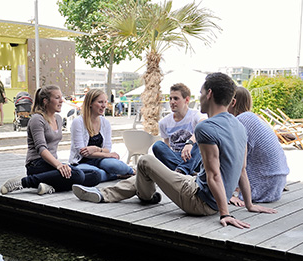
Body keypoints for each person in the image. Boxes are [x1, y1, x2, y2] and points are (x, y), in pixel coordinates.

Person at [72, 73, 277, 229]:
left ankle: (147, 196)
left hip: (199, 201)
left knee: (144, 161)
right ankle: (103, 194)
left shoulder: (206, 127)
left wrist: (224, 214)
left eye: (201, 93)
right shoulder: (239, 125)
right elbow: (241, 170)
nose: (200, 97)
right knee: (151, 172)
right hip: (200, 188)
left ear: (210, 94)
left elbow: (214, 174)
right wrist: (249, 205)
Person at [0, 85, 100, 196]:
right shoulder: (37, 119)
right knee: (78, 175)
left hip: (52, 164)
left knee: (95, 175)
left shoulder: (58, 118)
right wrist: (59, 165)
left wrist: (59, 165)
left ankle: (49, 186)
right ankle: (24, 182)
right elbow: (41, 148)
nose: (61, 101)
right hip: (36, 164)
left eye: (61, 97)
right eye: (57, 98)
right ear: (45, 101)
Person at [228, 86, 289, 204]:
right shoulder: (253, 118)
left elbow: (235, 161)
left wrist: (228, 194)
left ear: (233, 103)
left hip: (261, 189)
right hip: (275, 187)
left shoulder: (241, 121)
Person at [69, 88, 134, 182]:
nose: (104, 106)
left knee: (116, 165)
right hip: (81, 162)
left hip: (101, 159)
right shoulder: (78, 122)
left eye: (105, 102)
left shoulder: (105, 123)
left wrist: (95, 149)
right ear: (90, 103)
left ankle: (132, 171)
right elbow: (82, 153)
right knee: (95, 173)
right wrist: (109, 155)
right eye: (100, 102)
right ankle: (115, 176)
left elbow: (107, 149)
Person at [151, 83, 203, 175]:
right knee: (158, 145)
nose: (172, 102)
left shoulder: (195, 115)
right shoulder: (164, 122)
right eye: (170, 98)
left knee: (201, 141)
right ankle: (185, 170)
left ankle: (183, 170)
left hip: (193, 156)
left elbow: (204, 126)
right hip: (175, 156)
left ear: (186, 100)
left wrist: (190, 143)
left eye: (176, 98)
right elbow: (167, 146)